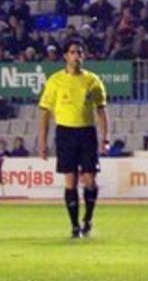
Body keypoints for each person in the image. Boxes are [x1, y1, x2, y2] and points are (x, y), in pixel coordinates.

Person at [36, 39, 109, 238]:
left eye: (80, 52)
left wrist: (105, 138)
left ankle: (88, 218)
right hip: (65, 133)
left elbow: (101, 111)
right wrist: (42, 142)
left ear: (84, 56)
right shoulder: (55, 81)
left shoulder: (92, 81)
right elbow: (45, 113)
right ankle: (75, 225)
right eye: (73, 52)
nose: (77, 56)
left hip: (87, 132)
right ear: (66, 56)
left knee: (90, 179)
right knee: (70, 179)